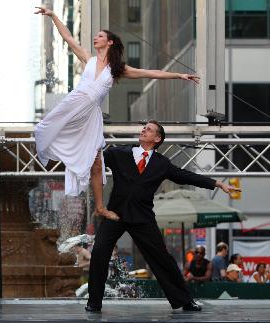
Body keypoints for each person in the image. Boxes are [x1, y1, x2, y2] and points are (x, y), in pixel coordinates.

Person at [34, 6, 199, 221]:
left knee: (97, 162)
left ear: (110, 42)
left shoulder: (116, 69)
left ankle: (101, 207)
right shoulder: (88, 59)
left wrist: (178, 75)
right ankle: (53, 152)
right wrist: (53, 16)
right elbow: (68, 38)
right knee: (44, 129)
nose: (95, 38)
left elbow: (150, 73)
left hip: (91, 114)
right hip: (75, 103)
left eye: (100, 36)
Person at [85, 121, 241, 313]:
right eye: (144, 127)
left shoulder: (161, 164)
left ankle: (185, 300)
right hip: (115, 214)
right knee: (99, 252)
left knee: (162, 259)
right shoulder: (119, 153)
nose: (143, 130)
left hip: (142, 217)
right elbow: (94, 158)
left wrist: (217, 183)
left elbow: (186, 176)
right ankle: (94, 302)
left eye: (149, 129)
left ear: (157, 139)